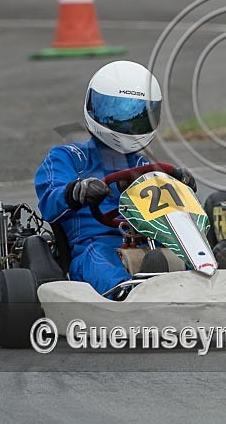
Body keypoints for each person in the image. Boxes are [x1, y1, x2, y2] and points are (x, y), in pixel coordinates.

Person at [35, 60, 195, 295]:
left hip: (149, 243)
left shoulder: (145, 166)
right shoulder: (68, 157)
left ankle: (208, 278)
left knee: (181, 249)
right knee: (98, 258)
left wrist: (181, 186)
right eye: (116, 112)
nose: (126, 123)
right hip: (94, 244)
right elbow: (50, 202)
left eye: (136, 114)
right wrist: (76, 192)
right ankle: (128, 294)